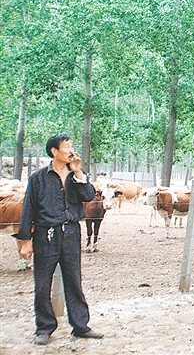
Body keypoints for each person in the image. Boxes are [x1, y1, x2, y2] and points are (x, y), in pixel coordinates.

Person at [14, 134, 104, 346]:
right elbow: (28, 209)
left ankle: (81, 326)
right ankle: (44, 328)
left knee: (74, 281)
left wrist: (78, 171)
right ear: (54, 151)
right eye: (67, 147)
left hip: (72, 233)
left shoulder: (76, 176)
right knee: (43, 283)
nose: (71, 150)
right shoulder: (38, 178)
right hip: (46, 235)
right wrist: (25, 240)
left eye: (72, 146)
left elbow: (89, 195)